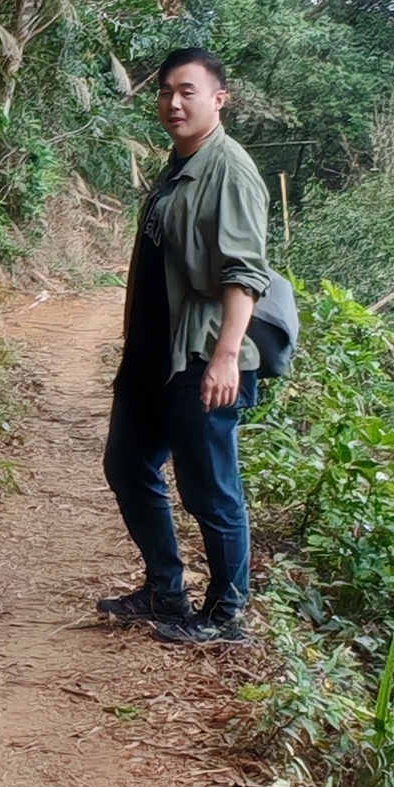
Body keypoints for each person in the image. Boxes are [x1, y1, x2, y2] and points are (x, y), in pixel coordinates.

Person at [100, 47, 277, 647]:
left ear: (218, 99)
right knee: (127, 465)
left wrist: (227, 356)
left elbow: (244, 272)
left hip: (200, 358)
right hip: (154, 355)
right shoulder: (181, 163)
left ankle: (228, 613)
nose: (173, 103)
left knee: (209, 489)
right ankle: (165, 589)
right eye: (165, 92)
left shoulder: (229, 170)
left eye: (188, 91)